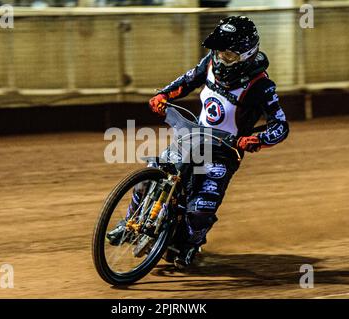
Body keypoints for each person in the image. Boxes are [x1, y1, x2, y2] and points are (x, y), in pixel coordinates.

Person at [108, 16, 289, 269]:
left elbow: (280, 126)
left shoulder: (262, 86)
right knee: (151, 177)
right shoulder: (210, 63)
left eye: (228, 55)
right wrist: (163, 94)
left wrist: (256, 139)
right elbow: (186, 80)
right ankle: (127, 224)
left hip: (224, 151)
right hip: (192, 136)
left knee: (200, 207)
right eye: (218, 51)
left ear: (246, 54)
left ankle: (190, 243)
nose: (221, 58)